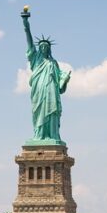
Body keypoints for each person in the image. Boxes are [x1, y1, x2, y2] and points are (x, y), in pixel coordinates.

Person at [22, 10, 71, 142]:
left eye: (46, 46)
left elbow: (60, 85)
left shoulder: (54, 63)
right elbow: (29, 41)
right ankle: (39, 136)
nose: (43, 48)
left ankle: (52, 135)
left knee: (52, 111)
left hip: (51, 91)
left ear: (49, 49)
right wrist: (26, 23)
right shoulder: (35, 59)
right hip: (38, 90)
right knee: (39, 112)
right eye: (41, 46)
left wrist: (65, 80)